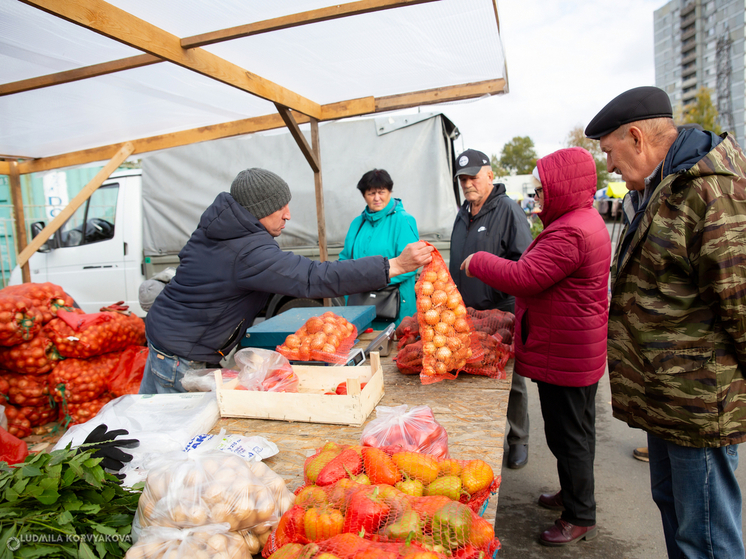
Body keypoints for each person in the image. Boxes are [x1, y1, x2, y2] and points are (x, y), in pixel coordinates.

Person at [585, 85, 746, 559]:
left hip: (698, 403)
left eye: (610, 152)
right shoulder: (663, 186)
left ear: (637, 137)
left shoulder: (710, 190)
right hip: (668, 401)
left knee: (707, 537)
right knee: (678, 518)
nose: (609, 167)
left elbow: (740, 302)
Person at [139, 168, 433, 394]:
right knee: (176, 439)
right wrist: (393, 264)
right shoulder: (246, 249)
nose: (289, 215)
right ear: (260, 210)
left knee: (155, 421)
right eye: (281, 207)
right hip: (180, 358)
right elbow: (312, 277)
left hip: (167, 341)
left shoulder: (222, 229)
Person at [461, 147, 611, 546]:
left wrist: (478, 261)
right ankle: (574, 494)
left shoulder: (571, 230)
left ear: (563, 186)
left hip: (566, 351)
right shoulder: (580, 220)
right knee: (573, 432)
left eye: (545, 187)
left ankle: (579, 515)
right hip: (571, 346)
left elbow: (526, 276)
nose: (540, 195)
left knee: (570, 436)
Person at [448, 148, 533, 469]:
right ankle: (483, 439)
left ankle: (518, 439)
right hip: (468, 314)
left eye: (473, 176)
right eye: (462, 179)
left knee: (511, 381)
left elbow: (524, 262)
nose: (468, 183)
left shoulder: (508, 210)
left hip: (501, 311)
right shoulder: (461, 213)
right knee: (473, 376)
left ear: (490, 175)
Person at [339, 169, 419, 328]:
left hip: (395, 309)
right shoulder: (357, 223)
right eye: (371, 193)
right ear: (363, 195)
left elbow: (412, 265)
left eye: (381, 192)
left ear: (390, 192)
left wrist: (371, 279)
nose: (377, 198)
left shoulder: (403, 220)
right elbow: (344, 260)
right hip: (360, 307)